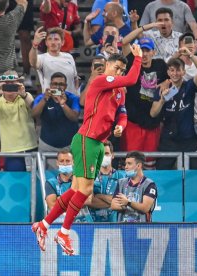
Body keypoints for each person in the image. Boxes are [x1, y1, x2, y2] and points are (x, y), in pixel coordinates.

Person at [32, 45, 143, 256]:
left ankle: (44, 225)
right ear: (107, 66)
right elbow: (131, 79)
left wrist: (121, 126)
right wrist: (137, 59)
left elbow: (122, 113)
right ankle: (63, 232)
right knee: (85, 191)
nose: (119, 72)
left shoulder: (119, 92)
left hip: (99, 143)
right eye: (117, 68)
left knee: (76, 190)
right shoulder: (101, 81)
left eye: (121, 69)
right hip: (87, 140)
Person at [120, 29, 168, 170]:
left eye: (148, 51)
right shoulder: (131, 64)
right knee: (130, 163)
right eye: (142, 50)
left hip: (153, 124)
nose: (145, 54)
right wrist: (144, 27)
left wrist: (167, 82)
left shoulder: (160, 65)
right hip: (133, 124)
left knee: (149, 164)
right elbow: (124, 42)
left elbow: (173, 79)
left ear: (153, 52)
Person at [150, 53, 197, 170]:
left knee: (195, 172)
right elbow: (153, 113)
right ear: (168, 72)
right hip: (168, 140)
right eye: (172, 70)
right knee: (163, 173)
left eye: (178, 70)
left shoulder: (189, 86)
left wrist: (190, 55)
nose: (175, 73)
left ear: (184, 72)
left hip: (188, 139)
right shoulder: (162, 89)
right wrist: (162, 100)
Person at [0, 70, 37, 171]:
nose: (10, 86)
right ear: (2, 85)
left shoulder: (26, 96)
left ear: (18, 83)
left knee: (33, 180)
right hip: (11, 150)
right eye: (7, 84)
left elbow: (35, 108)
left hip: (30, 147)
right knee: (14, 181)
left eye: (13, 83)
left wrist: (23, 94)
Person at [32, 72, 80, 169]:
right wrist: (44, 100)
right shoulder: (41, 98)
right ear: (50, 85)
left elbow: (74, 117)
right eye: (55, 84)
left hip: (69, 146)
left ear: (65, 86)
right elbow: (34, 114)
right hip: (47, 145)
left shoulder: (73, 98)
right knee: (46, 176)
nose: (58, 87)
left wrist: (63, 104)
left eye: (61, 84)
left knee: (69, 176)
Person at [44, 150, 92, 223]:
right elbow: (53, 206)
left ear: (73, 162)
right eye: (62, 161)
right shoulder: (50, 183)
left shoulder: (83, 180)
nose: (65, 164)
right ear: (57, 163)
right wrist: (78, 197)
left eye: (68, 161)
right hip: (59, 224)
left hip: (83, 223)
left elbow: (88, 200)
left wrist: (60, 199)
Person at [111, 151, 158, 222]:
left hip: (142, 229)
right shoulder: (121, 183)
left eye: (129, 164)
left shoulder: (149, 184)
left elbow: (145, 208)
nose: (126, 167)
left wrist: (128, 202)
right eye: (125, 164)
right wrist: (131, 205)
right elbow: (113, 205)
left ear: (139, 166)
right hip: (123, 228)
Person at [30, 27, 78, 95]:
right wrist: (35, 45)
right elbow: (32, 63)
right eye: (50, 39)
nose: (53, 42)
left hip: (69, 99)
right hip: (51, 98)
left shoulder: (69, 57)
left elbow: (75, 78)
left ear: (62, 42)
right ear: (46, 42)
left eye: (56, 39)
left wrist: (76, 94)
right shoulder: (41, 58)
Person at [87, 140, 125, 222]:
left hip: (114, 224)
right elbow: (90, 202)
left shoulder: (120, 177)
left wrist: (99, 196)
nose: (103, 157)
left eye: (106, 153)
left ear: (113, 155)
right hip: (93, 224)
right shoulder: (90, 176)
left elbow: (121, 203)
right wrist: (112, 202)